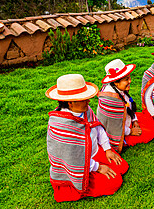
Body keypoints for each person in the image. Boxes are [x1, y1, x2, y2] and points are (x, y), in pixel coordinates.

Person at [45, 74, 129, 202]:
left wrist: (107, 149)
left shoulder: (85, 110)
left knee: (122, 166)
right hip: (81, 165)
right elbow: (73, 158)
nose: (88, 101)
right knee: (115, 181)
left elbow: (97, 127)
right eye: (84, 99)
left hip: (93, 153)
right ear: (71, 102)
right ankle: (74, 188)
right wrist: (99, 167)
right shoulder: (60, 124)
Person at [97, 59, 154, 152]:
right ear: (116, 82)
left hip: (126, 121)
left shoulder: (119, 89)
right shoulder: (110, 100)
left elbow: (128, 106)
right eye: (126, 79)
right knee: (149, 133)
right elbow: (114, 126)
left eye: (129, 77)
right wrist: (130, 132)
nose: (130, 81)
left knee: (149, 120)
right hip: (120, 131)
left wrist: (134, 120)